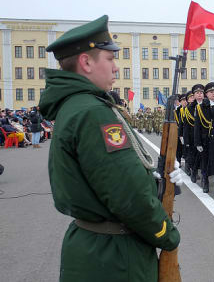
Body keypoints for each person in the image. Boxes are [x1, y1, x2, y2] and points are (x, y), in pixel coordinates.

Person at [39, 15, 183, 281]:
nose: (116, 68)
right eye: (110, 59)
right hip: (115, 257)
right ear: (86, 62)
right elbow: (128, 196)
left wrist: (155, 181)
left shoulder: (78, 106)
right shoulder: (94, 112)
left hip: (97, 250)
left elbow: (107, 176)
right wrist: (167, 234)